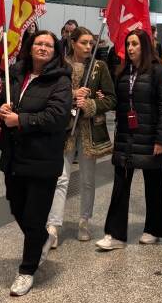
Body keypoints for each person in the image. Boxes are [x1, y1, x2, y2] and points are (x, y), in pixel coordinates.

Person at [0, 30, 72, 296]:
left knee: (34, 214)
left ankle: (26, 270)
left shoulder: (61, 81)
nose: (42, 48)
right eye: (38, 43)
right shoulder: (16, 75)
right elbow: (0, 104)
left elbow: (57, 117)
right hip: (14, 157)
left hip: (42, 159)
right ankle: (40, 237)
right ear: (30, 47)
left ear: (55, 51)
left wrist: (21, 120)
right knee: (17, 209)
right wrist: (1, 112)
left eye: (48, 45)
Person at [96, 29, 162, 250]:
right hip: (126, 138)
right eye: (128, 44)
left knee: (154, 185)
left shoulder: (158, 71)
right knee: (120, 185)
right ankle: (115, 235)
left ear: (145, 46)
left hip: (150, 138)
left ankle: (154, 229)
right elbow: (119, 104)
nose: (130, 48)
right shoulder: (123, 72)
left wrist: (161, 139)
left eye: (135, 44)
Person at [46, 26, 116, 246]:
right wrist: (72, 95)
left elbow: (111, 99)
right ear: (73, 43)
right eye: (83, 42)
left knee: (87, 179)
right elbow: (50, 95)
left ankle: (84, 220)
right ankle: (54, 226)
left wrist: (92, 103)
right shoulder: (61, 66)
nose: (88, 47)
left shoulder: (99, 67)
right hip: (65, 129)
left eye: (90, 43)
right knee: (61, 178)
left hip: (90, 130)